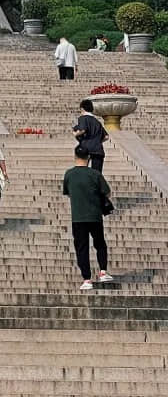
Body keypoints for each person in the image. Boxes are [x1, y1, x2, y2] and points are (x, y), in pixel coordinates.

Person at [63, 147, 114, 289]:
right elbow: (107, 193)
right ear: (89, 158)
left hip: (78, 217)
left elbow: (67, 192)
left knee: (82, 248)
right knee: (100, 243)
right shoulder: (95, 174)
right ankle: (103, 272)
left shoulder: (69, 174)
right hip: (95, 215)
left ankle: (87, 279)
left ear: (75, 156)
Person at [74, 99, 108, 174]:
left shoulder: (83, 118)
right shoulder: (97, 121)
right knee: (97, 174)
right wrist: (98, 141)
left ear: (82, 109)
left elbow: (83, 130)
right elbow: (106, 137)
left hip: (85, 148)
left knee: (82, 171)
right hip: (98, 149)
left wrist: (75, 134)